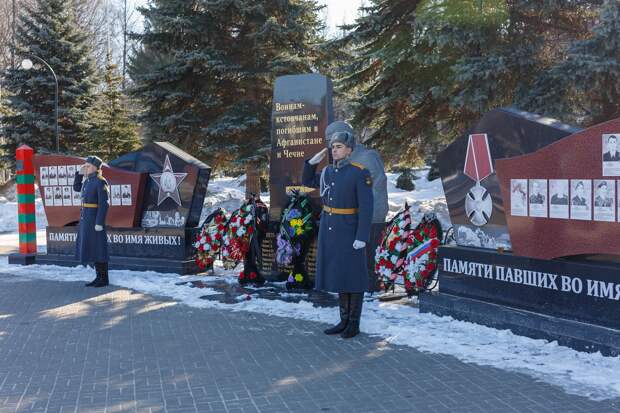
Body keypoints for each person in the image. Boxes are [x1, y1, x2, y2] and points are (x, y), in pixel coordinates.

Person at [302, 127, 373, 339]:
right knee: (341, 274)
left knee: (353, 276)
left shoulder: (359, 172)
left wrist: (362, 236)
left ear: (349, 150)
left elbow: (366, 207)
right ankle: (343, 320)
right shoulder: (328, 172)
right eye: (333, 147)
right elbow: (308, 182)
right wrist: (310, 164)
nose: (334, 150)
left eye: (339, 147)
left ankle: (353, 323)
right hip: (330, 229)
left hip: (349, 230)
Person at [326, 121, 388, 292]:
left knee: (369, 255)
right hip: (352, 218)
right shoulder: (343, 162)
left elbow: (377, 186)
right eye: (329, 141)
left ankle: (371, 287)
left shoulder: (367, 157)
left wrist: (368, 214)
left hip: (371, 217)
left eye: (333, 139)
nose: (331, 146)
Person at [73, 156, 110, 287]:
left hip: (94, 220)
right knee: (92, 248)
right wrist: (79, 174)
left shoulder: (100, 181)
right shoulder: (88, 180)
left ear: (95, 167)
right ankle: (98, 277)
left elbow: (104, 204)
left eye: (88, 166)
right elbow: (76, 188)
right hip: (86, 219)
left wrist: (99, 222)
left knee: (99, 248)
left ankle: (104, 278)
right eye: (86, 166)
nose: (86, 168)